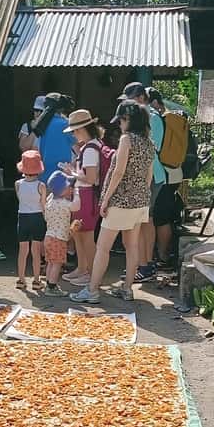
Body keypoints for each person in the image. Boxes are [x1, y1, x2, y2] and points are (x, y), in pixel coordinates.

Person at [70, 102, 154, 304]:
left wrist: (106, 199)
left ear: (128, 119)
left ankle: (92, 290)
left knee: (102, 247)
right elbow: (149, 175)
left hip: (120, 200)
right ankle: (127, 289)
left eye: (122, 121)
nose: (120, 125)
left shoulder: (127, 140)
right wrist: (142, 195)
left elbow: (118, 172)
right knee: (131, 246)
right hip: (140, 201)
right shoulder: (148, 142)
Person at [117, 82, 165, 283]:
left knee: (145, 220)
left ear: (141, 98)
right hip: (145, 175)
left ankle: (145, 265)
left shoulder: (152, 117)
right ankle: (141, 264)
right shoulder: (146, 116)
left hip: (151, 175)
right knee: (143, 220)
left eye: (130, 99)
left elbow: (152, 148)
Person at [60, 109, 106, 286]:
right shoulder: (92, 145)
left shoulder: (90, 149)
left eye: (74, 131)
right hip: (84, 195)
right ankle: (82, 269)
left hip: (87, 196)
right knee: (79, 233)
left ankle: (92, 274)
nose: (73, 134)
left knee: (86, 237)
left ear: (81, 129)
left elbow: (91, 178)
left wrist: (72, 173)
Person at [146, 87, 183, 271]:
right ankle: (162, 255)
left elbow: (155, 149)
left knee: (161, 217)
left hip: (164, 174)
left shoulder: (157, 119)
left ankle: (162, 256)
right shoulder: (170, 118)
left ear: (153, 102)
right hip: (173, 172)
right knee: (163, 216)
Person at [42, 170, 82, 297]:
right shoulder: (63, 203)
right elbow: (76, 207)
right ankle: (52, 287)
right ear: (62, 190)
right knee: (57, 264)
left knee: (50, 262)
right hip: (58, 239)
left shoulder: (50, 201)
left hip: (48, 237)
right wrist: (77, 192)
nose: (70, 188)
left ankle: (49, 284)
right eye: (68, 187)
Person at [13, 150, 47, 290]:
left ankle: (21, 280)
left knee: (22, 251)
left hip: (23, 217)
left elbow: (20, 199)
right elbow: (43, 205)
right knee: (36, 251)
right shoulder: (41, 186)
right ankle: (36, 280)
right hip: (37, 217)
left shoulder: (18, 184)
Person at [35, 92, 76, 178]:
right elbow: (77, 143)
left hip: (44, 171)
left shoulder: (41, 124)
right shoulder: (65, 124)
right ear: (62, 109)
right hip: (62, 172)